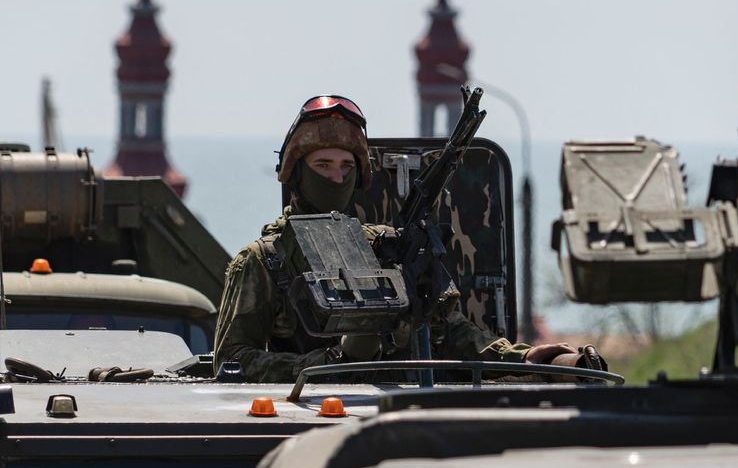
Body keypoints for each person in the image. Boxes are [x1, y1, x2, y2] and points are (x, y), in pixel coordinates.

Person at [214, 94, 601, 382]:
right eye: (323, 165)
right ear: (297, 173)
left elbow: (449, 332)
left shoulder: (386, 248)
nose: (336, 177)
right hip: (309, 416)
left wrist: (526, 359)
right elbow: (230, 360)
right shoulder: (264, 261)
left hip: (396, 413)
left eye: (347, 166)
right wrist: (320, 366)